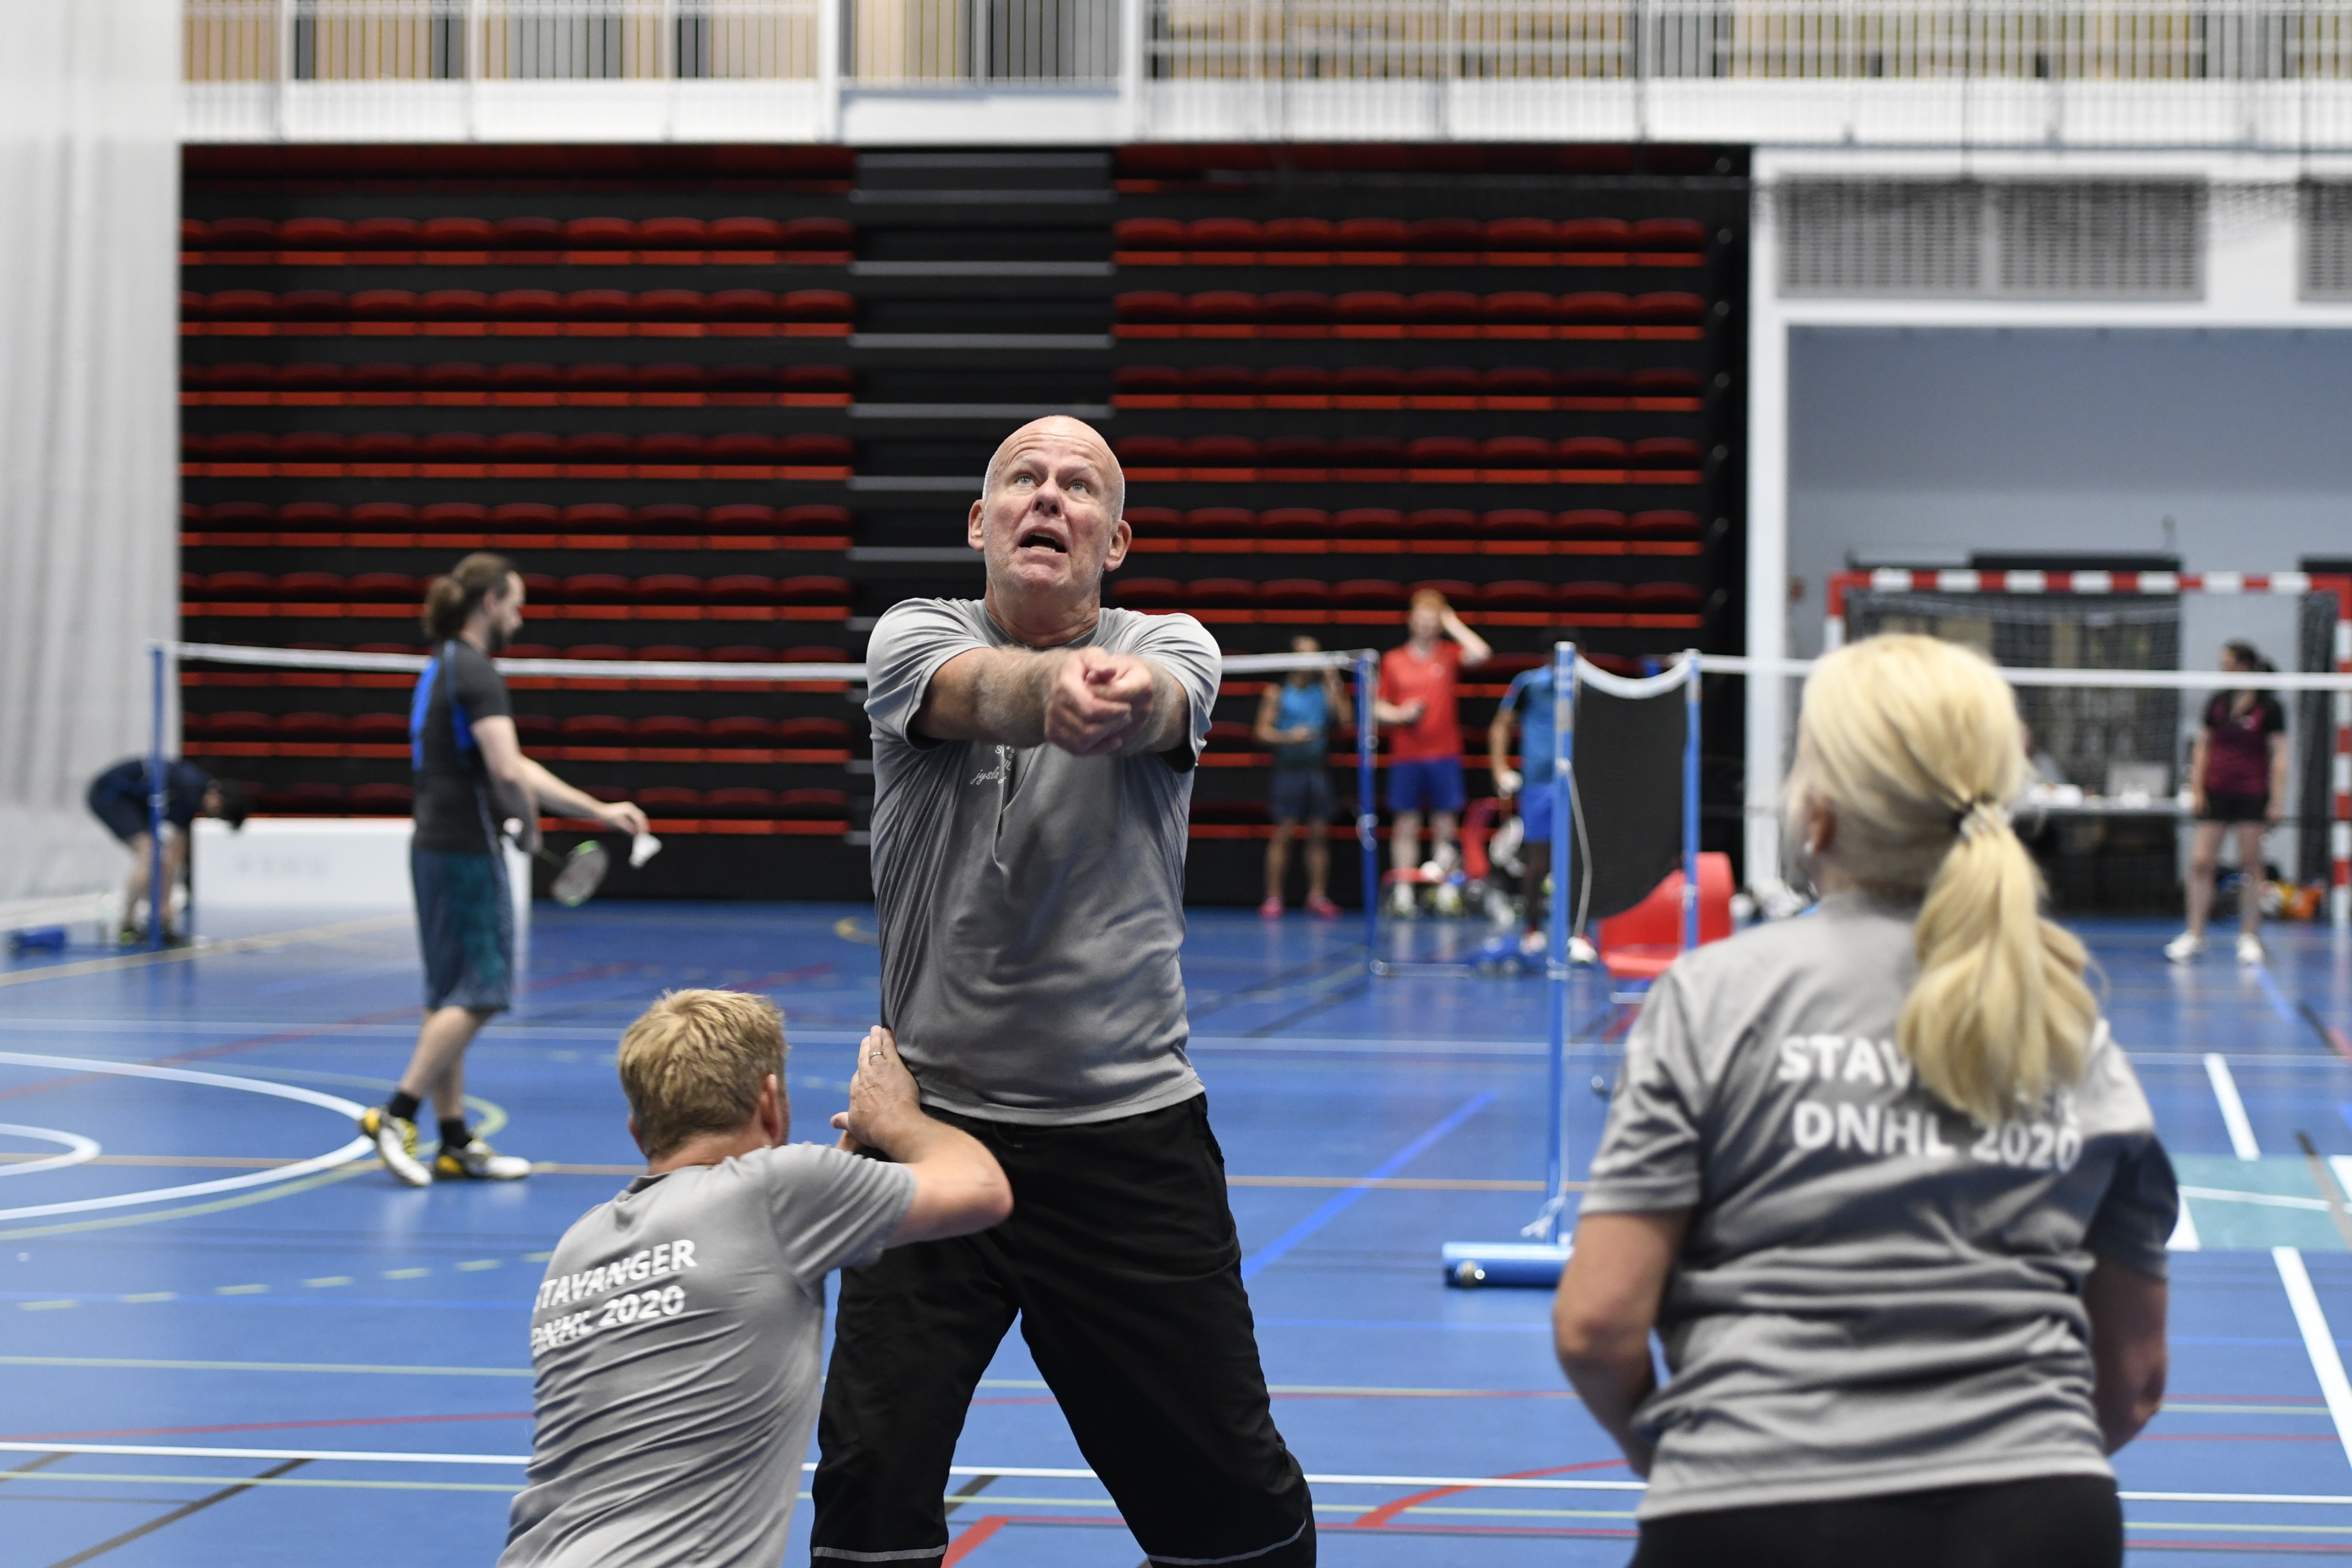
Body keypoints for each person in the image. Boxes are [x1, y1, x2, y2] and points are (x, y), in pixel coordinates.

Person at [1552, 633, 2176, 1568]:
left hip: (1751, 1504)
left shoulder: (1715, 997)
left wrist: (1680, 1458)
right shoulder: (2069, 1029)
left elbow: (1597, 1324)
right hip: (2040, 1515)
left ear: (1818, 812)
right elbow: (2132, 1382)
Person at [813, 416, 1316, 1567]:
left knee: (1236, 1520)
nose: (1049, 497)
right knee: (867, 1502)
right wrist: (1053, 694)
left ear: (1116, 541)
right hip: (928, 1135)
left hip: (1128, 1145)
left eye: (1080, 486)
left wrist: (1126, 698)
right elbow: (977, 691)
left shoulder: (1173, 645)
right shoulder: (911, 637)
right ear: (979, 523)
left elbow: (1165, 700)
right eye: (1024, 480)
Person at [499, 992, 1010, 1568]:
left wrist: (839, 1173)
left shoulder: (580, 1243)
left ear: (638, 1132)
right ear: (771, 1102)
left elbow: (733, 1259)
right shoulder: (778, 1193)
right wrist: (896, 1120)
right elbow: (982, 1189)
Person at [357, 554, 649, 1187]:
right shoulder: (479, 671)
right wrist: (529, 823)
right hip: (466, 851)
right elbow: (509, 771)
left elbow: (511, 764)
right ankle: (397, 1113)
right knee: (482, 992)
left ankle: (453, 1138)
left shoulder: (442, 665)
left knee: (449, 997)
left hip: (434, 847)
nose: (521, 617)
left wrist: (595, 810)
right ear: (489, 602)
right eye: (516, 604)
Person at [2167, 639, 2289, 966]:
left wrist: (2276, 799)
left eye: (2227, 664)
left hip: (2252, 793)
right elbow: (2202, 746)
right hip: (2216, 791)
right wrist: (2197, 789)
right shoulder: (2218, 702)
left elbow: (2280, 754)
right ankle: (2195, 934)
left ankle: (2249, 936)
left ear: (2243, 666)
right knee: (2201, 862)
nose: (2222, 670)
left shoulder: (2269, 707)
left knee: (2251, 864)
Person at [1374, 588, 1490, 917]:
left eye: (1432, 620)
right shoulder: (1394, 660)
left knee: (1445, 824)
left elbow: (1482, 653)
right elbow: (1377, 706)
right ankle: (1404, 892)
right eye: (1421, 619)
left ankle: (1445, 890)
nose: (1426, 626)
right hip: (1406, 756)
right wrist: (1400, 714)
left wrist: (1452, 623)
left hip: (1445, 754)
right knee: (1405, 824)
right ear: (1410, 620)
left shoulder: (1448, 655)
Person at [84, 757, 247, 946]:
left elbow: (176, 852)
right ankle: (127, 924)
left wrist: (165, 904)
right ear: (218, 800)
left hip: (132, 800)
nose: (212, 817)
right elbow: (176, 851)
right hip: (111, 795)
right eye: (218, 814)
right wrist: (165, 905)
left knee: (157, 857)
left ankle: (153, 918)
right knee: (150, 853)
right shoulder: (190, 789)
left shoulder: (196, 788)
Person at [1256, 633, 1345, 918]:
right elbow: (1261, 732)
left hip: (1317, 770)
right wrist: (1289, 738)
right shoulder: (1277, 692)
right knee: (1283, 834)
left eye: (1315, 654)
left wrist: (1334, 681)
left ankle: (1317, 897)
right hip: (1288, 772)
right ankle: (1273, 897)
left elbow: (1345, 719)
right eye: (1305, 654)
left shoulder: (1324, 690)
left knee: (1319, 834)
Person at [1488, 659, 1557, 957]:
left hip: (1574, 784)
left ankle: (1578, 932)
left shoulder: (1586, 683)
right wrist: (1499, 769)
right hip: (1537, 784)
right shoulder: (1528, 683)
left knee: (1577, 859)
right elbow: (1501, 725)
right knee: (1537, 860)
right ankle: (1532, 927)